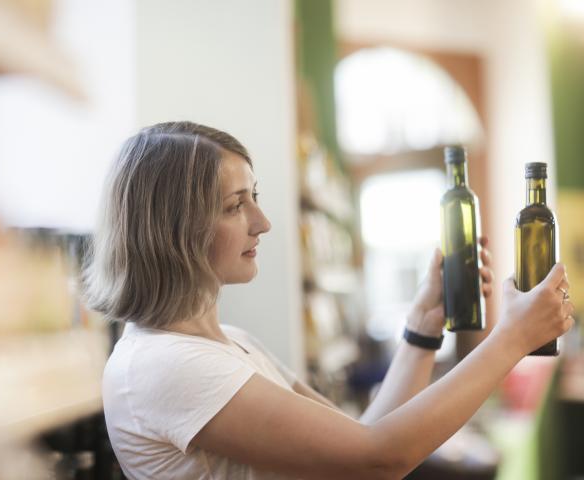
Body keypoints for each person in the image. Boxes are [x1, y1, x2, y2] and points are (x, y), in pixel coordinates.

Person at [85, 121, 574, 479]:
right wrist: (512, 339)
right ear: (173, 230)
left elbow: (360, 438)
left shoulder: (231, 344)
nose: (263, 222)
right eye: (236, 205)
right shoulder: (165, 365)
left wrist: (422, 328)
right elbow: (379, 459)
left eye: (253, 197)